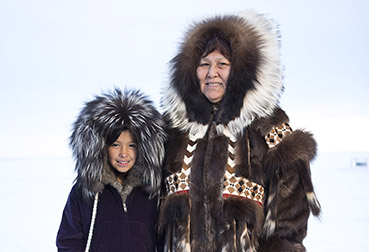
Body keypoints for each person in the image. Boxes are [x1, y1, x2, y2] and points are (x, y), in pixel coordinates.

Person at [158, 11, 321, 252]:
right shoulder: (171, 130)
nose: (212, 73)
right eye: (204, 64)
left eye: (222, 64)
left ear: (241, 70)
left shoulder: (268, 127)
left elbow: (289, 223)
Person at [56, 88, 166, 252]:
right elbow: (68, 243)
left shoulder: (153, 194)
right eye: (116, 145)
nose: (124, 153)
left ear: (143, 149)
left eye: (131, 145)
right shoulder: (84, 193)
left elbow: (165, 241)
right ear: (102, 147)